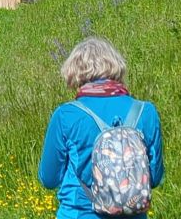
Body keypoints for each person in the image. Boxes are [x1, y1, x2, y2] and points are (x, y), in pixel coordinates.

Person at [38, 37, 164, 218]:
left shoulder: (66, 114)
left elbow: (49, 179)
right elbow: (155, 177)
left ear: (74, 72)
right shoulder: (145, 111)